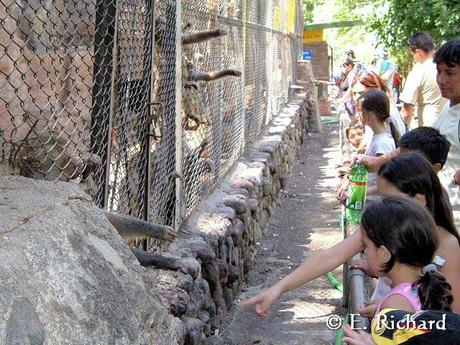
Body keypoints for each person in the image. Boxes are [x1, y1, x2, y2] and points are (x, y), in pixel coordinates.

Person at [239, 152, 460, 316]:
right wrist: (279, 288)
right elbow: (331, 256)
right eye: (382, 198)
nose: (383, 205)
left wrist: (397, 315)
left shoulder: (448, 245)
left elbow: (450, 318)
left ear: (419, 200)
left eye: (390, 199)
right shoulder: (385, 224)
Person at [432, 38, 460, 229]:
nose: (441, 80)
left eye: (450, 73)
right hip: (446, 212)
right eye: (439, 72)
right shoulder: (450, 106)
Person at [399, 32, 448, 127]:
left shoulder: (419, 70)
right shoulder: (448, 66)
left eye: (413, 54)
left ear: (418, 52)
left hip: (428, 130)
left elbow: (407, 111)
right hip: (450, 127)